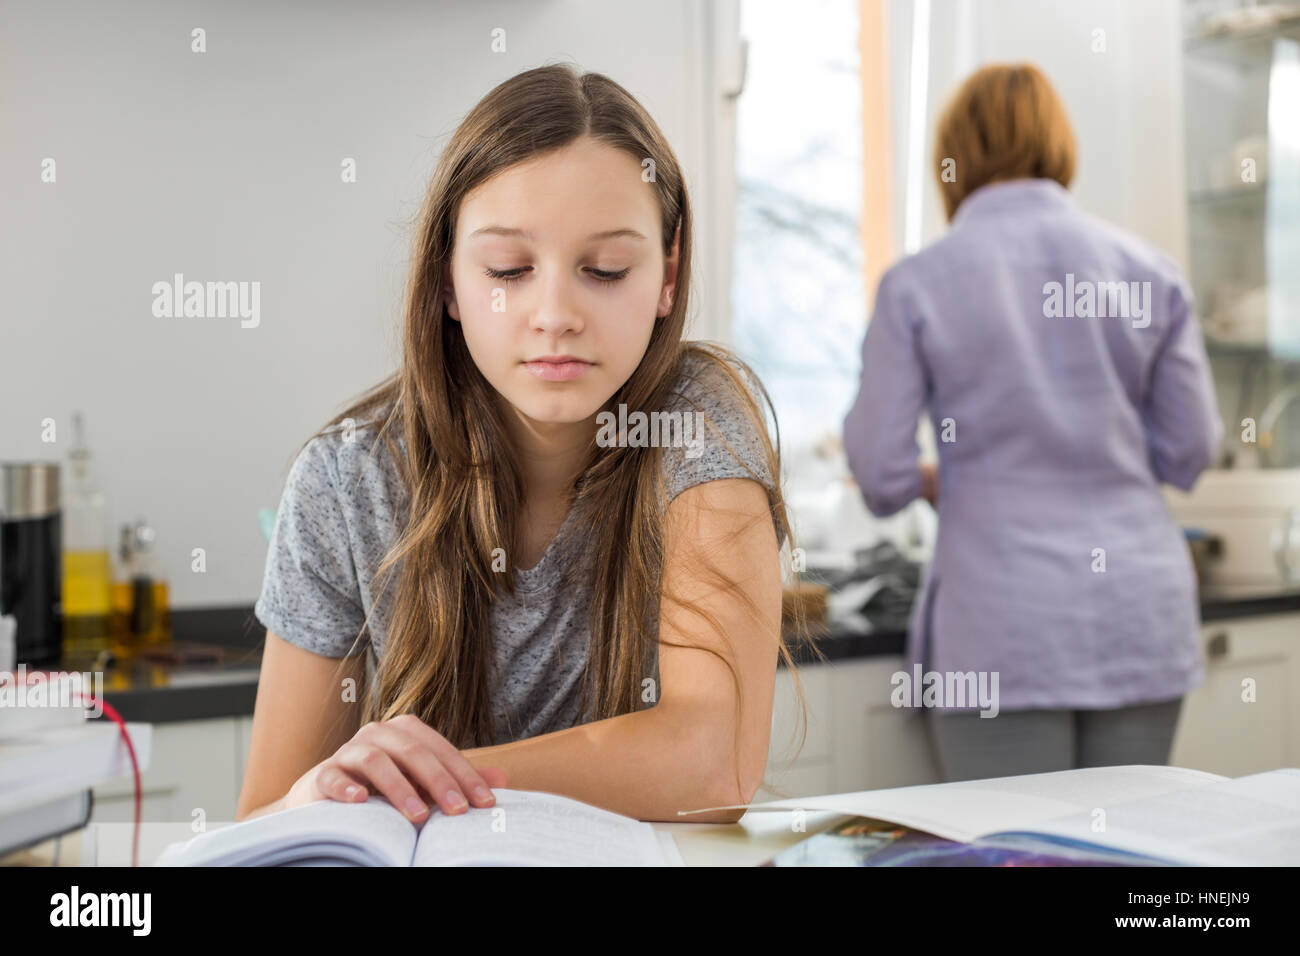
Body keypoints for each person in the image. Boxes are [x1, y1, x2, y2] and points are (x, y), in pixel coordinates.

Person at [237, 64, 816, 824]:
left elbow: (711, 771)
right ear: (447, 279)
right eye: (509, 269)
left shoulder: (698, 422)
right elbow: (260, 823)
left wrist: (419, 784)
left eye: (605, 270)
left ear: (668, 276)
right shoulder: (348, 478)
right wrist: (312, 799)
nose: (555, 314)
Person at [842, 63, 1223, 782]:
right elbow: (1191, 452)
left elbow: (881, 475)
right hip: (1140, 614)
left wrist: (943, 477)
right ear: (1059, 144)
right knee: (1130, 862)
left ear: (954, 158)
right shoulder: (1151, 272)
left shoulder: (919, 284)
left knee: (1017, 855)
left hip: (1002, 628)